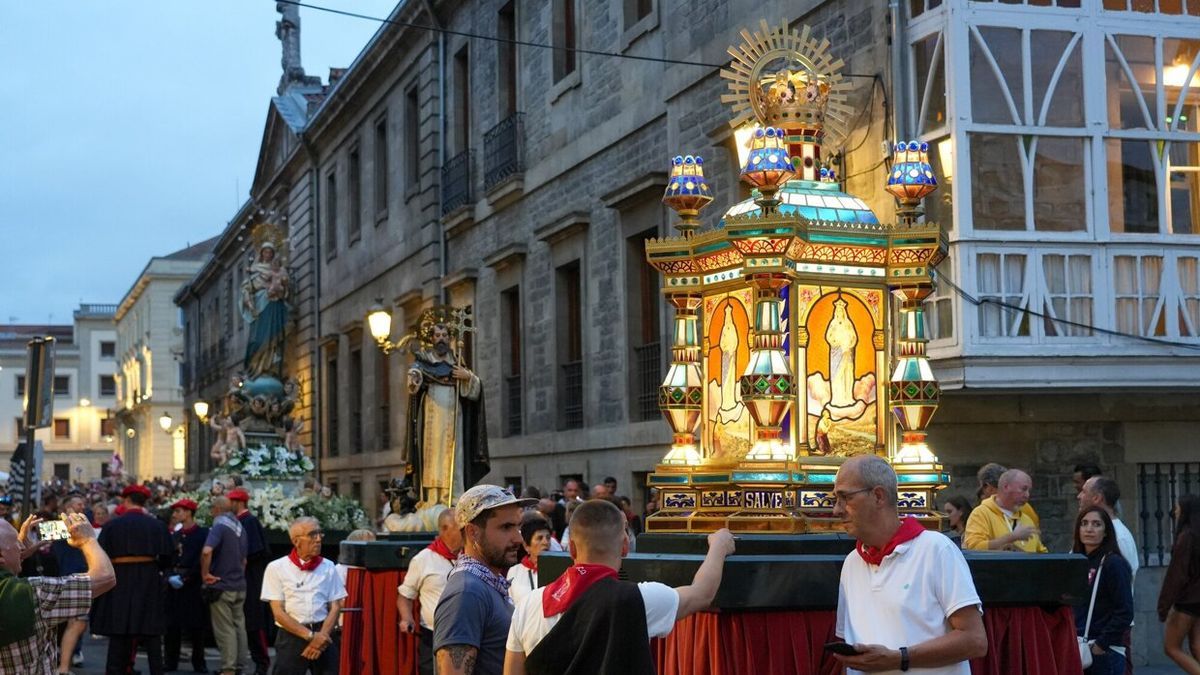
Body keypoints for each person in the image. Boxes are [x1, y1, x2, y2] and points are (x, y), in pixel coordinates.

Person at [503, 500, 736, 675]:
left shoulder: (527, 606)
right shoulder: (638, 599)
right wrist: (719, 545)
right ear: (625, 546)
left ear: (571, 548)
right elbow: (702, 593)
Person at [831, 455, 987, 674]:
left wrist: (899, 658)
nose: (836, 510)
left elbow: (975, 640)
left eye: (845, 498)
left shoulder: (936, 549)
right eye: (835, 500)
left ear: (878, 496)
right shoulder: (852, 562)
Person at [434, 485, 536, 675]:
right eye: (506, 527)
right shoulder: (466, 593)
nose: (518, 539)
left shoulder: (483, 584)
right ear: (473, 532)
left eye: (518, 527)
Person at [0, 512, 115, 673]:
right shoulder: (32, 593)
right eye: (15, 543)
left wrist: (16, 555)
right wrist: (88, 540)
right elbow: (105, 577)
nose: (20, 546)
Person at [90, 484, 174, 675]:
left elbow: (101, 556)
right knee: (152, 633)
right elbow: (168, 557)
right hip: (148, 581)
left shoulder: (112, 526)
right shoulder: (157, 525)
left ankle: (114, 671)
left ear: (126, 501)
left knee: (119, 631)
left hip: (120, 581)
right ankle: (156, 671)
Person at [405, 321, 490, 508]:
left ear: (450, 338)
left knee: (454, 457)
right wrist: (414, 378)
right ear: (431, 339)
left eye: (444, 336)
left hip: (454, 420)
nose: (441, 339)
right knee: (432, 458)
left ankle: (453, 497)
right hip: (431, 420)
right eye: (437, 335)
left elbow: (473, 392)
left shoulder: (457, 362)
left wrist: (469, 378)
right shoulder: (423, 361)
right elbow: (414, 385)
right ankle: (431, 499)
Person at [261, 516, 346, 675]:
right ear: (296, 541)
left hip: (324, 634)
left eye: (320, 534)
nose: (319, 539)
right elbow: (278, 613)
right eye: (313, 535)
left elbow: (336, 605)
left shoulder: (328, 566)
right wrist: (310, 637)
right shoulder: (276, 568)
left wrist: (322, 636)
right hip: (291, 636)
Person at [399, 509, 463, 675]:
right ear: (444, 529)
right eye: (459, 527)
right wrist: (407, 618)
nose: (465, 531)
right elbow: (405, 597)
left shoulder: (471, 557)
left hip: (465, 633)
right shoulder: (423, 559)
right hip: (433, 635)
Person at [1073, 506, 1133, 675]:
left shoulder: (1114, 563)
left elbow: (1125, 611)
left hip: (1104, 651)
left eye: (1096, 524)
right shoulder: (1077, 562)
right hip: (1078, 646)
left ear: (1106, 532)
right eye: (1084, 524)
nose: (1089, 529)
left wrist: (1101, 644)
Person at [202, 496, 250, 675]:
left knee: (225, 629)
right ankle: (240, 666)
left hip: (222, 585)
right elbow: (244, 560)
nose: (211, 511)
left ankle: (228, 668)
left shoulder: (219, 525)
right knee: (239, 626)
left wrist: (205, 574)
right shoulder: (240, 527)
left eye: (212, 508)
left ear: (217, 508)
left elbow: (207, 551)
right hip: (239, 584)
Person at [229, 487, 271, 675]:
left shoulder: (249, 522)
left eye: (231, 502)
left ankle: (261, 662)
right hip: (239, 578)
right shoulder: (238, 522)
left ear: (238, 502)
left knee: (253, 622)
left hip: (250, 579)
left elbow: (255, 551)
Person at [165, 498, 210, 674]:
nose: (175, 515)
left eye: (178, 511)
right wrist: (169, 576)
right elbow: (168, 558)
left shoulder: (202, 534)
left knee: (196, 627)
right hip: (175, 582)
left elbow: (202, 560)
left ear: (188, 513)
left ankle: (199, 662)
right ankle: (171, 661)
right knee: (172, 626)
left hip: (193, 583)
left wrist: (187, 578)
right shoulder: (175, 536)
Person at [1157, 495, 1200, 675]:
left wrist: (1163, 607)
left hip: (1187, 602)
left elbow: (1176, 576)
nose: (1175, 511)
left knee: (1171, 647)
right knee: (1197, 646)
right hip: (1197, 600)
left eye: (1178, 507)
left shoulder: (1187, 537)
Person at [963, 469, 1048, 553]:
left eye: (1029, 490)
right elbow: (973, 549)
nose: (1027, 495)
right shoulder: (981, 513)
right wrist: (1012, 537)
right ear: (1006, 487)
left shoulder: (1027, 519)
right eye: (1023, 489)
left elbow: (1041, 553)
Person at [51, 495, 89, 675]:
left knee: (77, 622)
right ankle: (64, 666)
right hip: (71, 578)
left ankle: (69, 655)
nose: (83, 507)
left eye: (83, 504)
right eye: (78, 504)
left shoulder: (84, 525)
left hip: (78, 577)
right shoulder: (59, 527)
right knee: (76, 622)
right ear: (67, 508)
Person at [241, 240, 289, 378]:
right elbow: (246, 289)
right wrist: (250, 305)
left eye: (270, 252)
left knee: (275, 335)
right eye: (265, 251)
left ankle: (271, 364)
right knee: (257, 339)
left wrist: (283, 288)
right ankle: (256, 368)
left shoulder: (278, 269)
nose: (268, 254)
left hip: (274, 306)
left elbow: (284, 285)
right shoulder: (255, 269)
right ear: (261, 253)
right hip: (260, 307)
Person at [507, 515, 552, 605]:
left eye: (548, 537)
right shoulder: (515, 571)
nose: (546, 542)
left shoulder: (558, 568)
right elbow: (511, 603)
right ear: (526, 546)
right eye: (539, 538)